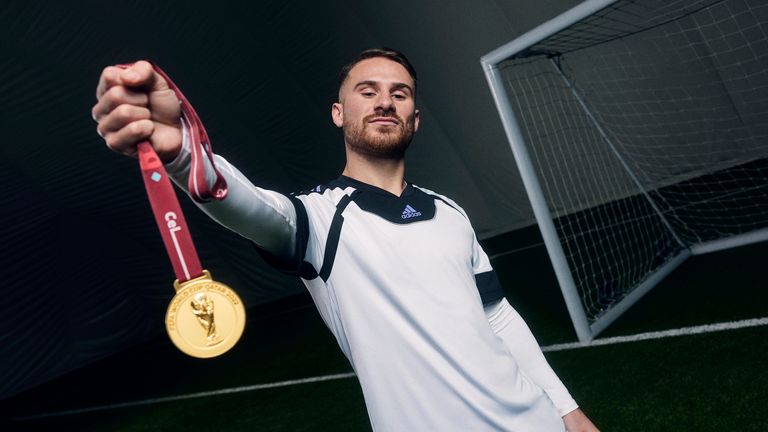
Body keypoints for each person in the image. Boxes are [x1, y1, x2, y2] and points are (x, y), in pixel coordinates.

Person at [93, 48, 599, 431]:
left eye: (400, 94)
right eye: (368, 90)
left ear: (415, 120)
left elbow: (499, 315)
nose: (385, 101)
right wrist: (182, 150)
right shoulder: (316, 218)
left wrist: (567, 409)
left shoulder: (451, 212)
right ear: (339, 113)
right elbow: (247, 204)